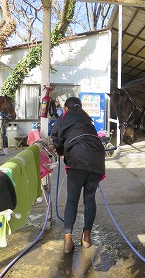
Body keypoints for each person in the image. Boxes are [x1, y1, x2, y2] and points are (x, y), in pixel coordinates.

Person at [51, 97, 105, 253]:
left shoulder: (63, 118)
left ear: (66, 108)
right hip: (97, 159)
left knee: (72, 199)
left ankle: (68, 241)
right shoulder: (87, 119)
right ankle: (86, 238)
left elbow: (56, 139)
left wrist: (62, 153)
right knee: (89, 199)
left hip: (77, 159)